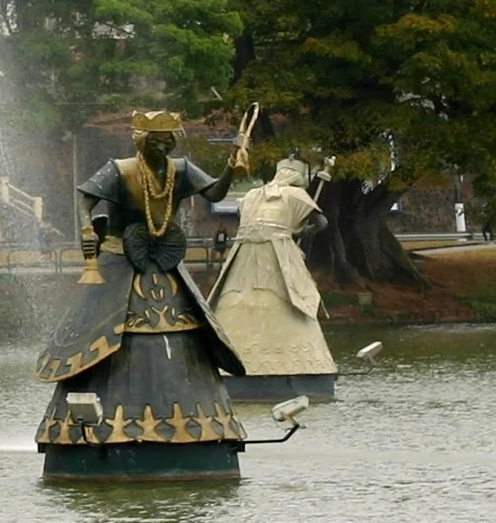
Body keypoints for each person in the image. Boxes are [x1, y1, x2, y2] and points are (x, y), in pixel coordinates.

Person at [34, 110, 250, 480]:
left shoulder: (180, 170)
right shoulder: (120, 170)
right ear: (141, 141)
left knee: (187, 333)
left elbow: (214, 192)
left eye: (168, 140)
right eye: (156, 140)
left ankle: (196, 430)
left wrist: (232, 165)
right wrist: (87, 228)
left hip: (166, 267)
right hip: (121, 260)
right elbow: (86, 197)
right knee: (106, 334)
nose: (164, 146)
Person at [206, 157, 336, 402]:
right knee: (287, 298)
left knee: (234, 302)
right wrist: (301, 230)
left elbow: (241, 216)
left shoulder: (252, 195)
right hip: (278, 252)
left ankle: (223, 363)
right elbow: (322, 223)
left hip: (243, 253)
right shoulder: (297, 196)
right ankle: (289, 366)